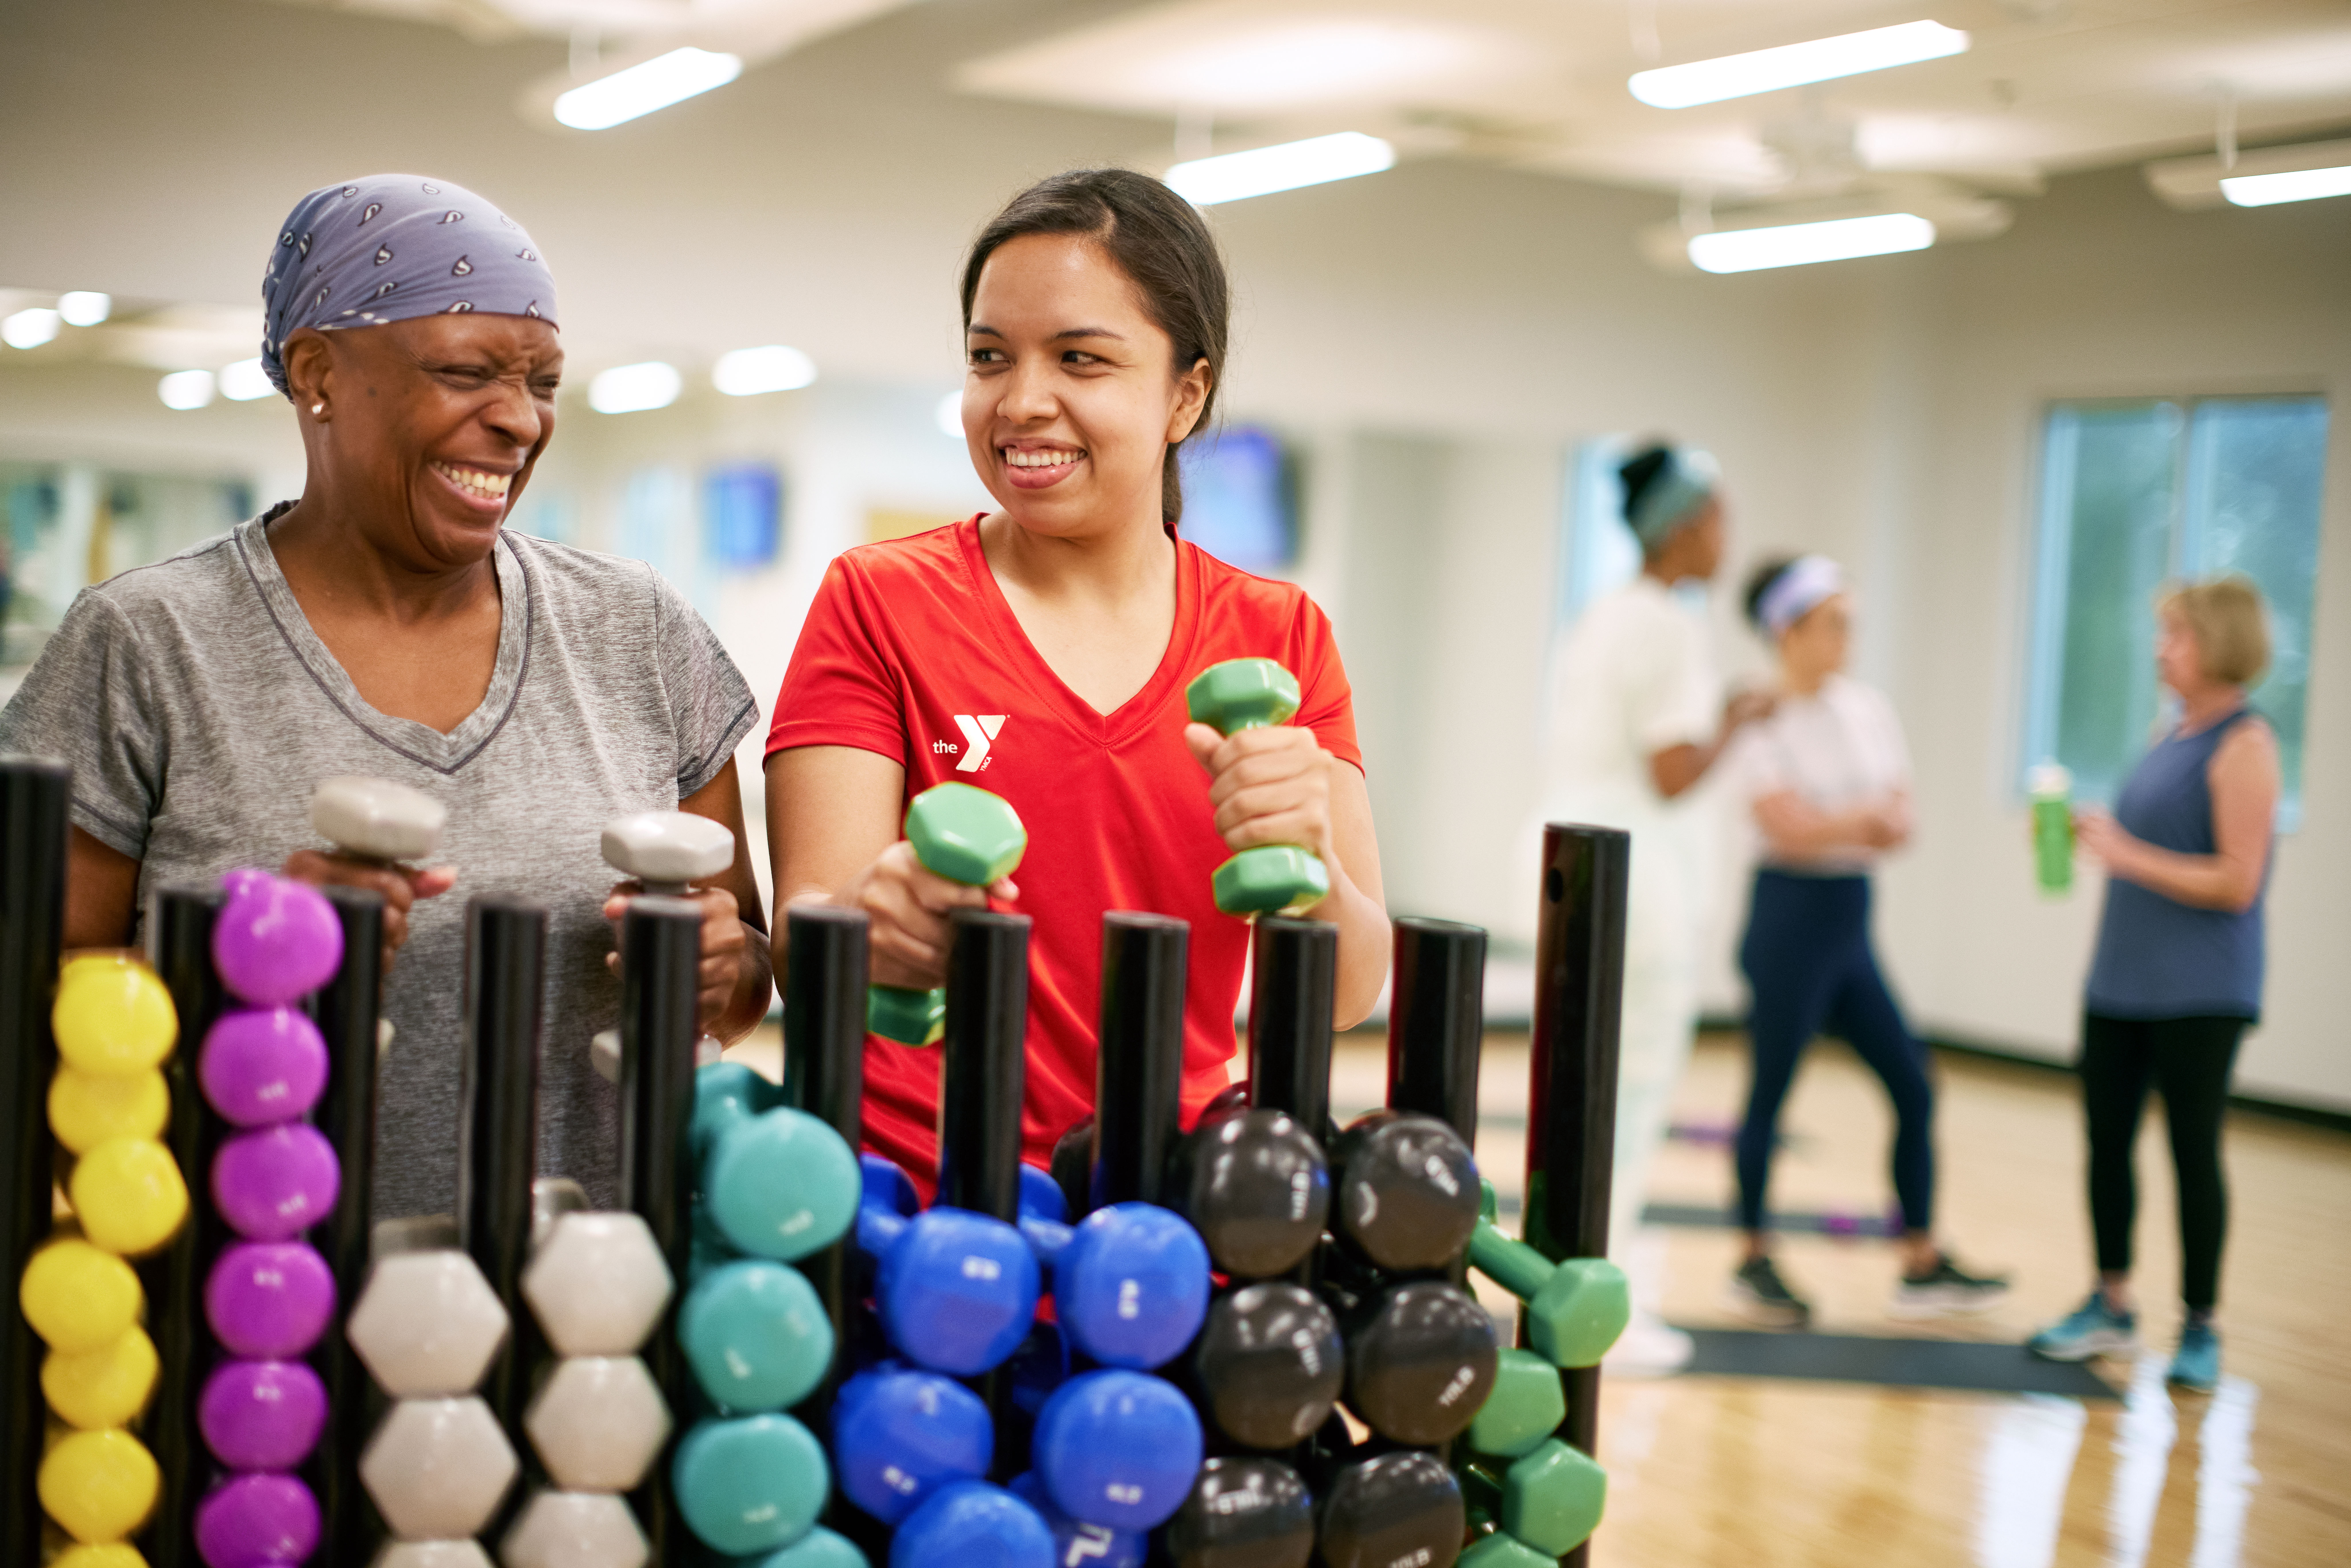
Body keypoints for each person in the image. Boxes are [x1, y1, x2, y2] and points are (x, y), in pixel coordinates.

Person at [0, 175, 772, 1220]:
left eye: (543, 382)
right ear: (317, 373)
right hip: (257, 1286)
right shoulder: (146, 643)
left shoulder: (637, 629)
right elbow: (33, 1016)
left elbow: (747, 971)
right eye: (466, 373)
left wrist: (720, 969)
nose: (519, 420)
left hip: (595, 1289)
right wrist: (246, 972)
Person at [764, 169, 1388, 1189]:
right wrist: (876, 921)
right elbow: (806, 942)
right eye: (989, 357)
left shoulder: (1280, 636)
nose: (1021, 402)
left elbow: (1352, 990)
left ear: (1186, 394)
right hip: (915, 1194)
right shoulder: (878, 599)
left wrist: (1310, 855)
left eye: (1081, 359)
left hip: (1162, 1201)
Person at [1532, 441, 1770, 1373]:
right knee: (1625, 1101)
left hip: (1581, 873)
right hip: (1638, 891)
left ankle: (1565, 1283)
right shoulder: (1668, 625)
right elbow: (1673, 771)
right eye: (1719, 518)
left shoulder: (1604, 614)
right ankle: (1602, 1306)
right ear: (1683, 528)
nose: (1727, 538)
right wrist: (1737, 722)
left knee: (1584, 1093)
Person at [1724, 556, 2008, 1327]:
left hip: (1849, 923)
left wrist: (1832, 822)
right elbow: (1787, 828)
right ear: (1787, 632)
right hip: (1787, 922)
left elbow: (1900, 821)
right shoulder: (1758, 717)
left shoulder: (1868, 709)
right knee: (1771, 1092)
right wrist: (1854, 821)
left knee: (1914, 1086)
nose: (1848, 638)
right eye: (1834, 625)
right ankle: (1751, 1257)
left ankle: (1921, 1260)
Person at [2029, 576, 2280, 1392]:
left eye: (2177, 635)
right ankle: (2110, 1302)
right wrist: (2096, 835)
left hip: (2201, 990)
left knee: (2191, 1150)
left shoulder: (2246, 745)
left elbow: (2238, 881)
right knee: (2107, 1143)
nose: (2161, 649)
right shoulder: (2168, 732)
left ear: (2219, 644)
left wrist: (2127, 854)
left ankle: (2202, 1325)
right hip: (2121, 978)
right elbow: (2150, 844)